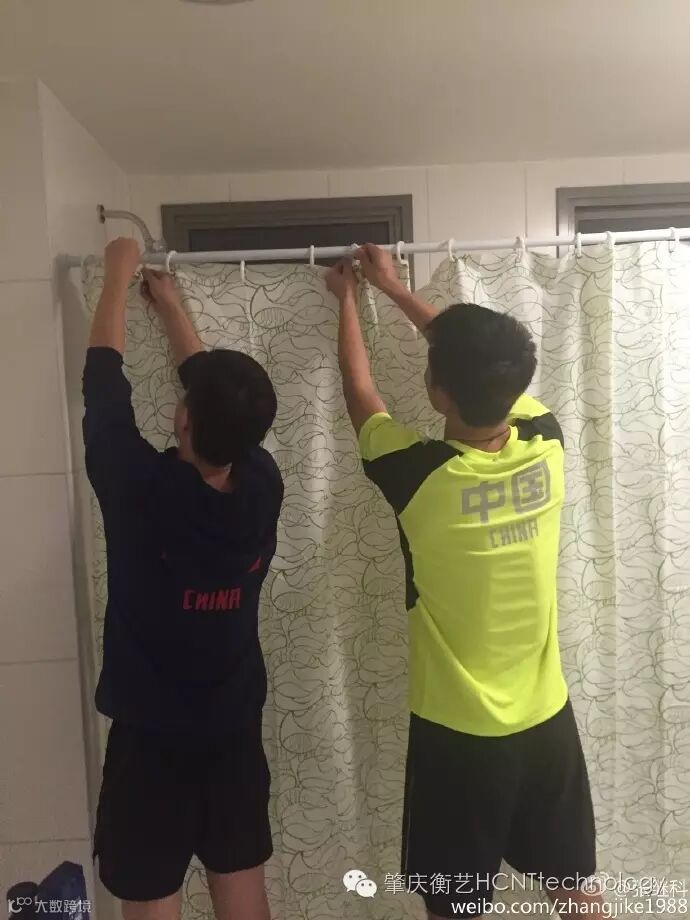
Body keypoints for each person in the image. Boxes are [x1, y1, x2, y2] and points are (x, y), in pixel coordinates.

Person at [326, 244, 603, 920]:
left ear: (438, 391)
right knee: (576, 889)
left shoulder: (417, 474)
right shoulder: (546, 440)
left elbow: (362, 397)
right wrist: (395, 288)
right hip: (547, 722)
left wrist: (349, 298)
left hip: (458, 736)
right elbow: (480, 359)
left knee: (455, 906)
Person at [84, 238, 283, 920]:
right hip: (233, 731)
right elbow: (217, 409)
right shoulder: (261, 484)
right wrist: (170, 308)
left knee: (150, 903)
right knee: (243, 893)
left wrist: (115, 275)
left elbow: (104, 386)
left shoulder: (140, 489)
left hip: (152, 739)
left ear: (185, 416)